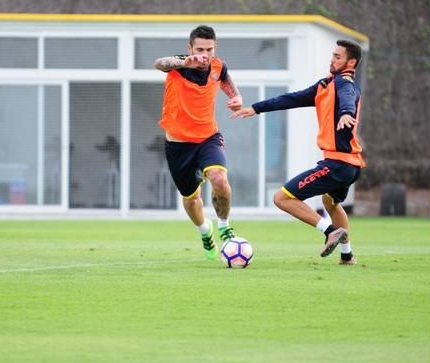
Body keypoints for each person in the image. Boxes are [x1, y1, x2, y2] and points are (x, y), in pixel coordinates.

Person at [232, 39, 365, 265]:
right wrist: (256, 108)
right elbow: (290, 99)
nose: (332, 60)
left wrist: (346, 112)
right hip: (351, 166)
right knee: (331, 203)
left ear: (351, 62)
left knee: (282, 198)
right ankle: (347, 255)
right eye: (332, 55)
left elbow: (348, 97)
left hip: (337, 164)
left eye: (338, 57)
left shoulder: (344, 82)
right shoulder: (325, 85)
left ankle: (329, 230)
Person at [154, 25, 243, 260]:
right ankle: (205, 231)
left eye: (209, 49)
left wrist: (236, 96)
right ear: (190, 48)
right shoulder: (177, 65)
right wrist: (184, 62)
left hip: (207, 138)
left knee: (219, 178)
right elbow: (159, 63)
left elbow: (224, 78)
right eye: (200, 49)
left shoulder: (217, 65)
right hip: (178, 145)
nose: (204, 54)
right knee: (192, 198)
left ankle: (224, 225)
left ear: (215, 48)